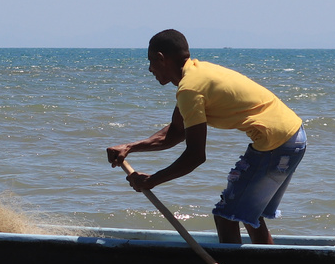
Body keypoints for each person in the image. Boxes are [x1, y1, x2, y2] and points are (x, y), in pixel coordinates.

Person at [106, 29, 305, 246]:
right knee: (248, 213)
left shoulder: (190, 88)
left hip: (276, 142)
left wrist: (152, 181)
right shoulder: (195, 76)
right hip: (292, 136)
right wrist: (129, 147)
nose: (149, 69)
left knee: (226, 215)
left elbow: (195, 156)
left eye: (151, 61)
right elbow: (175, 132)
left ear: (161, 59)